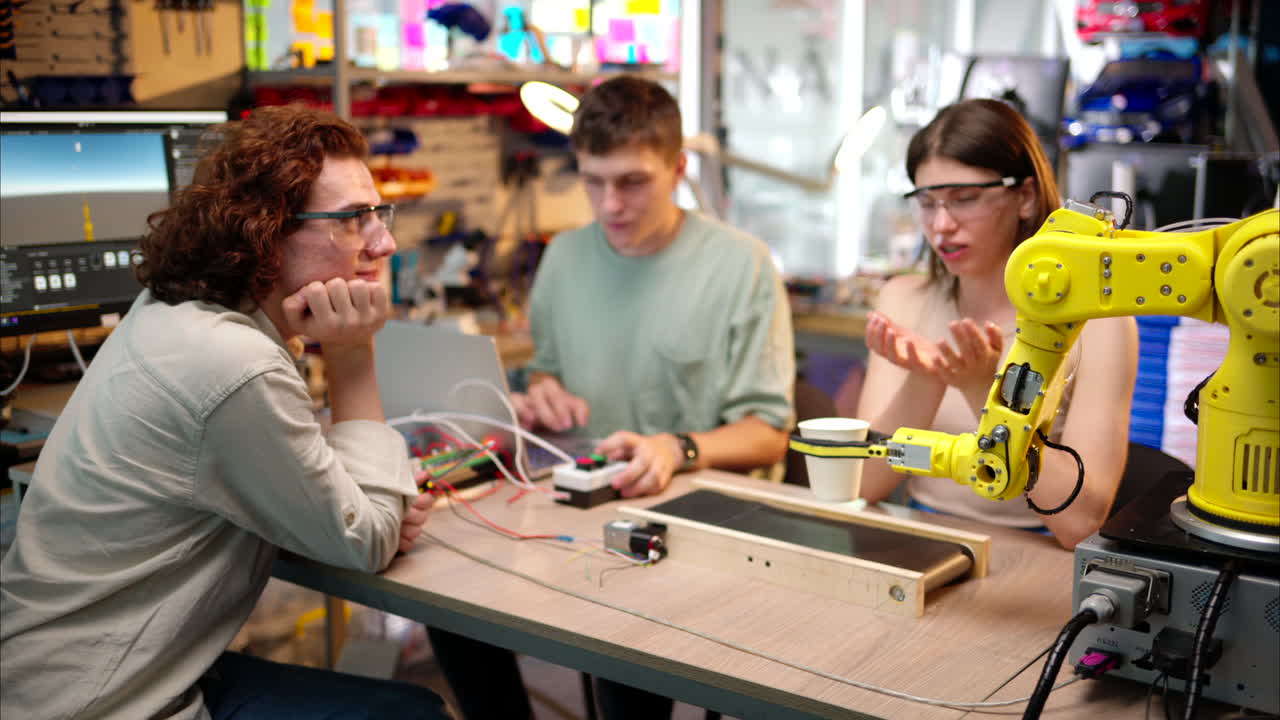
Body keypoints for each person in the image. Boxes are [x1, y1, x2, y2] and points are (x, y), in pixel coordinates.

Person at [0, 105, 446, 720]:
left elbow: (322, 499)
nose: (384, 242)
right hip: (100, 702)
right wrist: (351, 354)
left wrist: (359, 504)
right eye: (350, 220)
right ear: (264, 231)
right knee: (410, 713)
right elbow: (366, 539)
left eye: (379, 214)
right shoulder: (236, 363)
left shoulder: (173, 310)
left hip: (52, 672)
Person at [427, 75, 796, 720]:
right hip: (573, 504)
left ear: (679, 169)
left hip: (692, 522)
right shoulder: (566, 257)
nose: (609, 204)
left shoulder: (741, 265)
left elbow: (768, 432)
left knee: (620, 652)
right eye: (592, 181)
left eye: (631, 182)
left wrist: (675, 448)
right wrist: (541, 393)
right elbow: (545, 373)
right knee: (449, 604)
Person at [856, 98, 1138, 550]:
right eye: (927, 203)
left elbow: (1082, 523)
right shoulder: (903, 299)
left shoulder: (1101, 323)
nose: (941, 225)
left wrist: (979, 389)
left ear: (1025, 196)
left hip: (1037, 555)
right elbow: (864, 484)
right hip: (924, 541)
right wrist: (927, 378)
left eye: (964, 199)